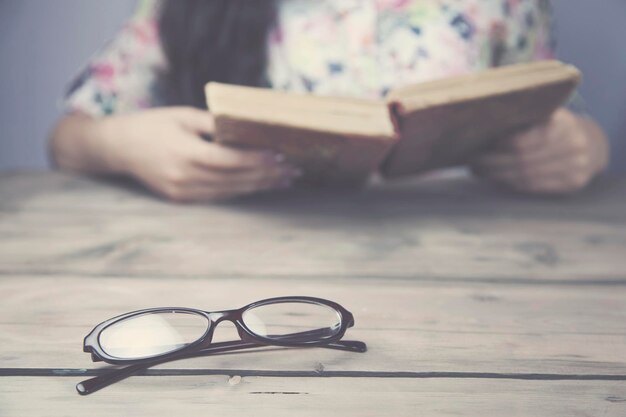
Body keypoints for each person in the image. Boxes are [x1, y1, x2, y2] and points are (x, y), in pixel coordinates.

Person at [49, 0, 610, 202]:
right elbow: (67, 141)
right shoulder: (181, 7)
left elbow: (557, 119)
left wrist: (586, 146)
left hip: (471, 266)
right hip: (244, 267)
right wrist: (123, 144)